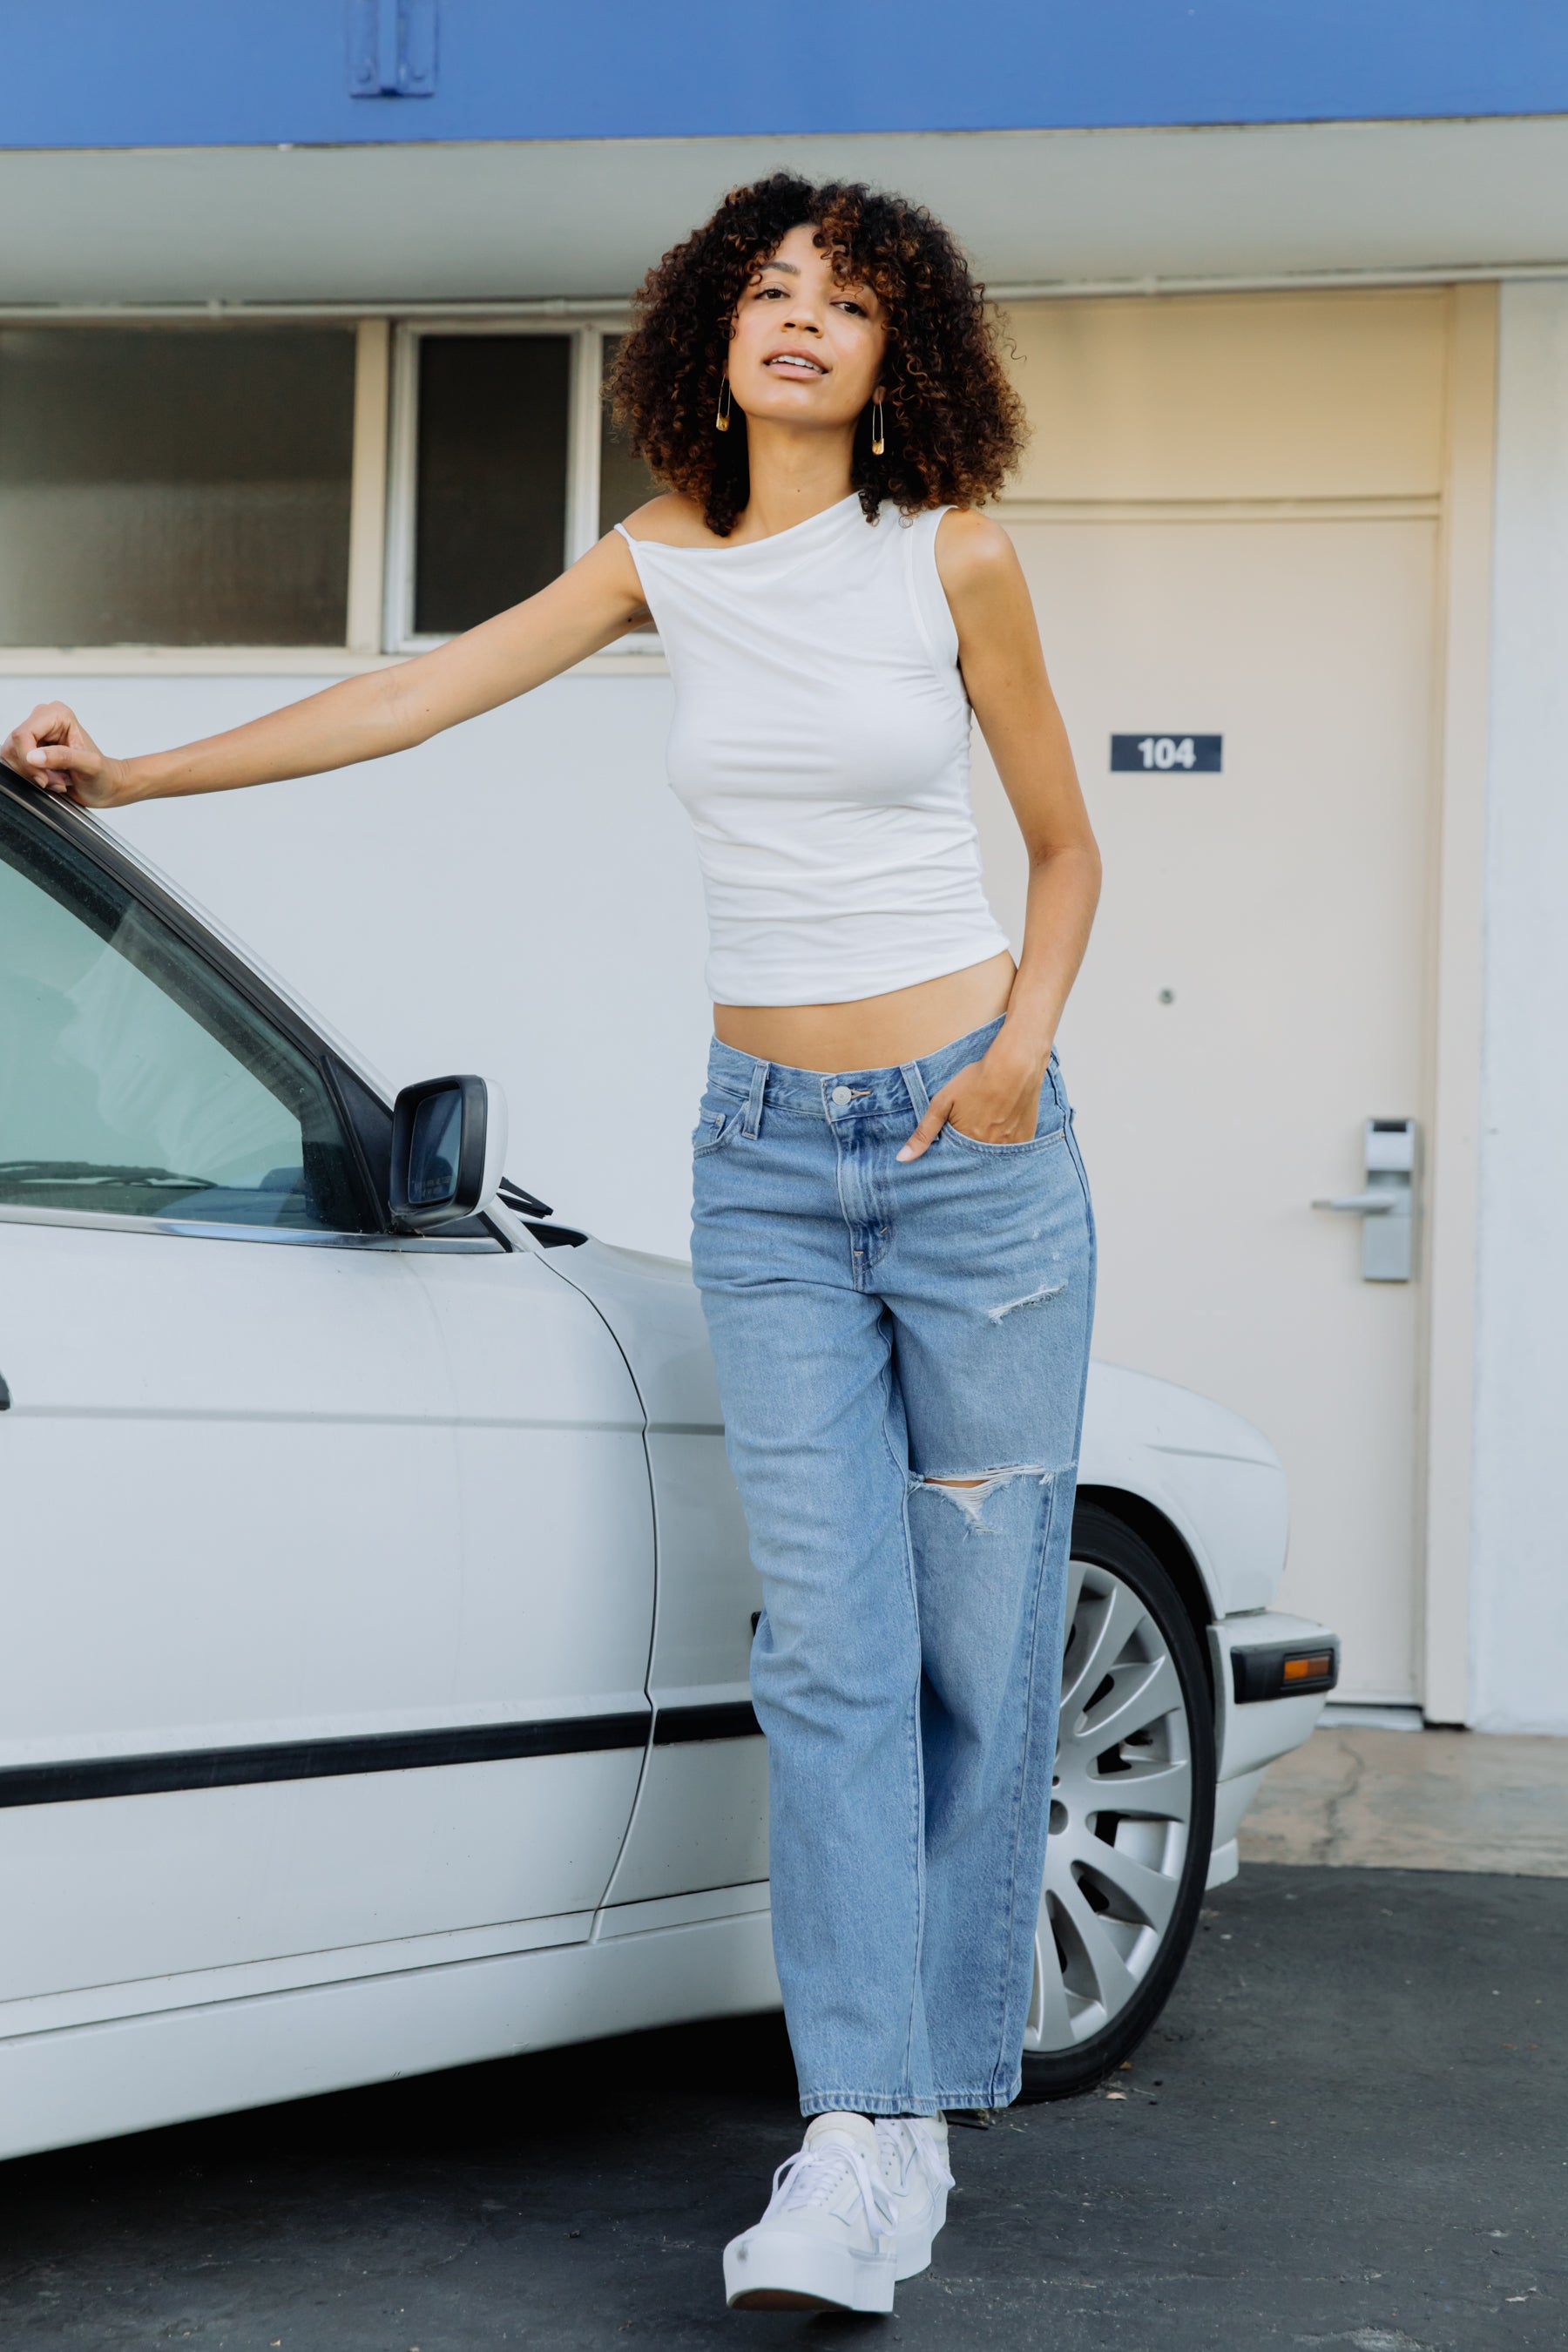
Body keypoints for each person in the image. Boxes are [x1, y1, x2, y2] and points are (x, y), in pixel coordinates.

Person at [3, 172, 1100, 2318]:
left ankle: (921, 2105)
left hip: (978, 1152)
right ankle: (859, 2135)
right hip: (767, 1159)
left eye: (845, 302)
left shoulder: (953, 557)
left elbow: (1062, 847)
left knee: (983, 1640)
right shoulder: (658, 565)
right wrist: (132, 782)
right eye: (766, 291)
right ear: (708, 332)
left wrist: (1011, 1059)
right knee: (830, 1657)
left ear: (901, 357)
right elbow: (406, 700)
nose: (798, 322)